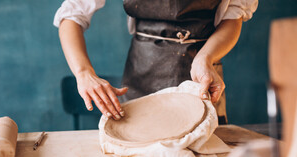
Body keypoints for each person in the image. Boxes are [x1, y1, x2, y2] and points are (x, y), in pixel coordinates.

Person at [54, 0, 258, 123]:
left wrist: (206, 58)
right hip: (142, 73)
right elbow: (71, 16)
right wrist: (83, 73)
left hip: (202, 73)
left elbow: (233, 17)